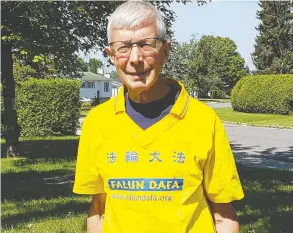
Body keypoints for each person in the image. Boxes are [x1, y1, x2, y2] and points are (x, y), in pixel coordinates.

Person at [73, 1, 244, 233]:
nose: (135, 58)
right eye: (123, 47)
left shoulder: (204, 120)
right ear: (111, 55)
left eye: (146, 45)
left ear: (165, 51)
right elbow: (99, 210)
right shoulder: (97, 122)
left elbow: (223, 216)